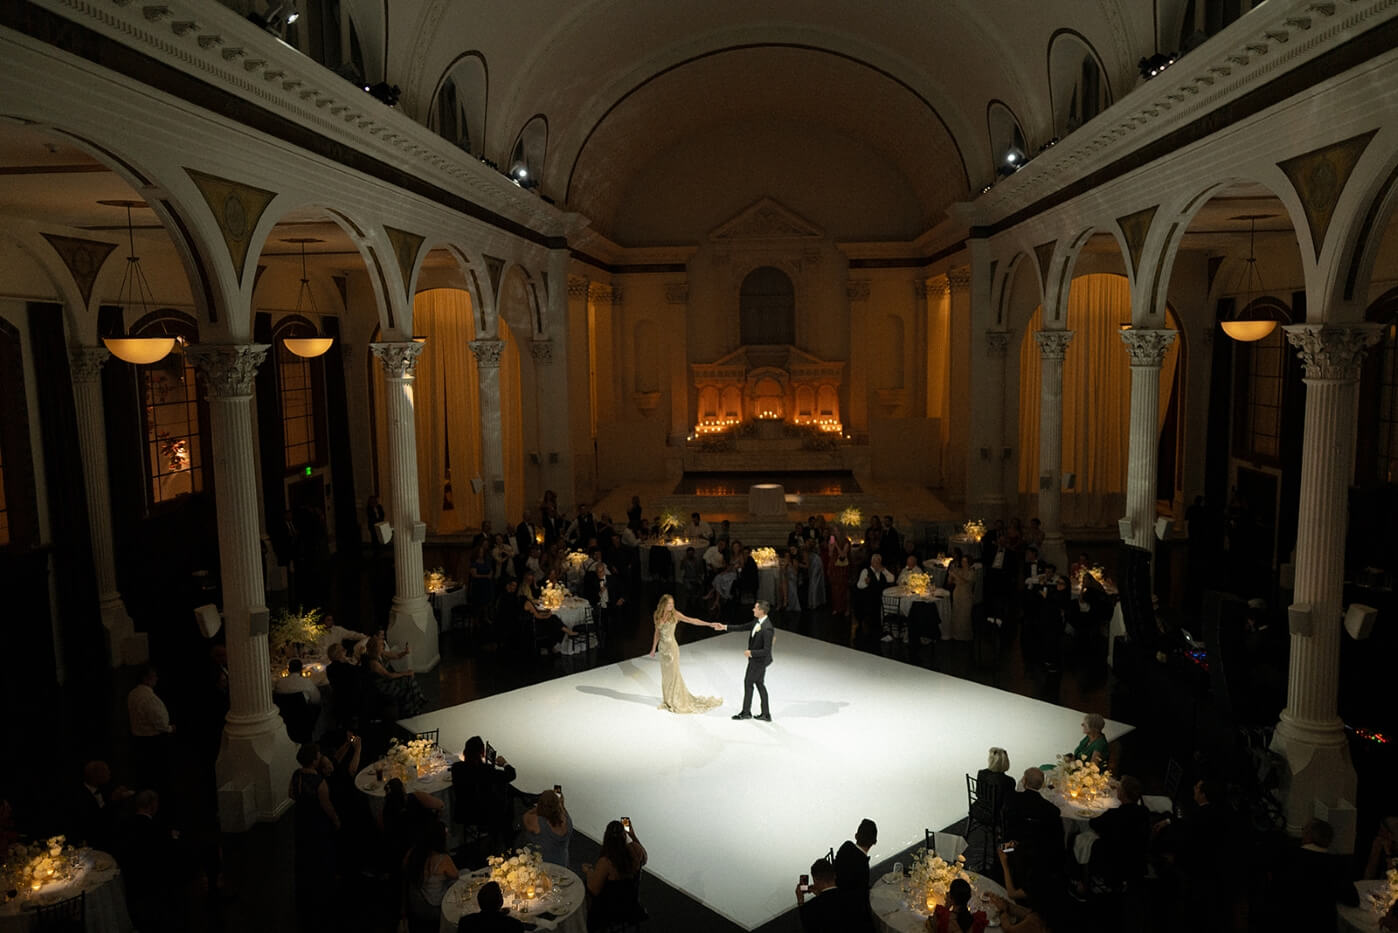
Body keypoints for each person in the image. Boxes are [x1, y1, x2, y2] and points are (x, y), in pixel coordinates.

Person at [289, 744, 339, 929]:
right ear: (313, 759)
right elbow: (326, 806)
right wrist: (336, 820)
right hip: (317, 823)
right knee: (321, 855)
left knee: (304, 854)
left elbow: (291, 794)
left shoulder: (296, 775)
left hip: (301, 821)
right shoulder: (319, 781)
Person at [649, 594, 723, 713]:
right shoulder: (657, 615)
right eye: (669, 604)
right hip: (662, 649)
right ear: (663, 604)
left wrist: (709, 624)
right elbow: (657, 632)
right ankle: (668, 700)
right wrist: (653, 649)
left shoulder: (675, 614)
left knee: (674, 674)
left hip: (672, 649)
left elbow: (691, 620)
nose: (671, 606)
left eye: (672, 604)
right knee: (666, 676)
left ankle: (676, 700)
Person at [584, 819, 648, 932]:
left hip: (610, 910)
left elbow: (593, 889)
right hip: (630, 904)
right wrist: (633, 835)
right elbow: (644, 859)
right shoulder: (636, 850)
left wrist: (588, 871)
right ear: (624, 836)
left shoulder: (606, 862)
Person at [716, 600, 775, 721]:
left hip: (759, 661)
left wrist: (751, 653)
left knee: (748, 683)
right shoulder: (756, 622)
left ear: (761, 611)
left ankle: (746, 712)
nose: (753, 610)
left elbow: (766, 651)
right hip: (755, 661)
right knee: (759, 684)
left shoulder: (767, 629)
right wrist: (724, 627)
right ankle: (765, 714)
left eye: (755, 608)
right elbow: (742, 627)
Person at [402, 820, 459, 933]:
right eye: (445, 831)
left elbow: (404, 876)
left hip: (415, 905)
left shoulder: (412, 853)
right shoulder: (442, 859)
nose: (447, 833)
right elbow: (455, 875)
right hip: (434, 907)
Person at [127, 664, 175, 793]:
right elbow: (160, 723)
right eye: (153, 676)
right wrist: (170, 728)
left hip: (139, 738)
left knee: (145, 771)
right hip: (152, 741)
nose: (156, 678)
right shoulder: (149, 698)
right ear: (145, 678)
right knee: (157, 772)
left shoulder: (133, 694)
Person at [364, 634, 426, 717]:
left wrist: (405, 652)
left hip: (387, 680)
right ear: (375, 648)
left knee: (409, 680)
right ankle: (413, 706)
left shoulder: (381, 653)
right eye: (381, 644)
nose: (383, 645)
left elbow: (396, 656)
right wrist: (405, 673)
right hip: (383, 685)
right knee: (406, 684)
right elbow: (388, 675)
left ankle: (413, 707)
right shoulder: (373, 663)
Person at [796, 856, 861, 932]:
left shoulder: (811, 908)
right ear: (834, 875)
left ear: (815, 880)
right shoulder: (853, 895)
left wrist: (800, 901)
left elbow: (808, 927)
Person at [835, 818, 877, 922]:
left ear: (856, 835)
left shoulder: (846, 846)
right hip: (852, 915)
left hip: (836, 900)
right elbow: (861, 898)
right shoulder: (862, 866)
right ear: (874, 842)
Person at [520, 788, 573, 867]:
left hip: (541, 864)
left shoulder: (536, 821)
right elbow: (561, 809)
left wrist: (538, 808)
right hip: (561, 864)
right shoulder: (566, 819)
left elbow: (525, 817)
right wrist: (560, 803)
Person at [457, 880, 527, 932]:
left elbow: (489, 920)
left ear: (479, 902)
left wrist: (500, 913)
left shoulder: (465, 922)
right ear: (501, 901)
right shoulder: (515, 926)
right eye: (500, 893)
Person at [974, 747, 1015, 825]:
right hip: (994, 815)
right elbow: (1007, 804)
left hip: (978, 808)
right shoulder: (1009, 781)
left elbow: (977, 793)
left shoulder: (982, 773)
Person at [947, 555, 975, 641]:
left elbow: (965, 581)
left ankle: (964, 637)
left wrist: (955, 574)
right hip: (957, 593)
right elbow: (950, 582)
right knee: (956, 613)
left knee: (964, 615)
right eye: (962, 561)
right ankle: (955, 635)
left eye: (965, 561)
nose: (963, 563)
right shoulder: (959, 570)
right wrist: (951, 575)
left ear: (969, 563)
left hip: (966, 595)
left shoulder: (972, 572)